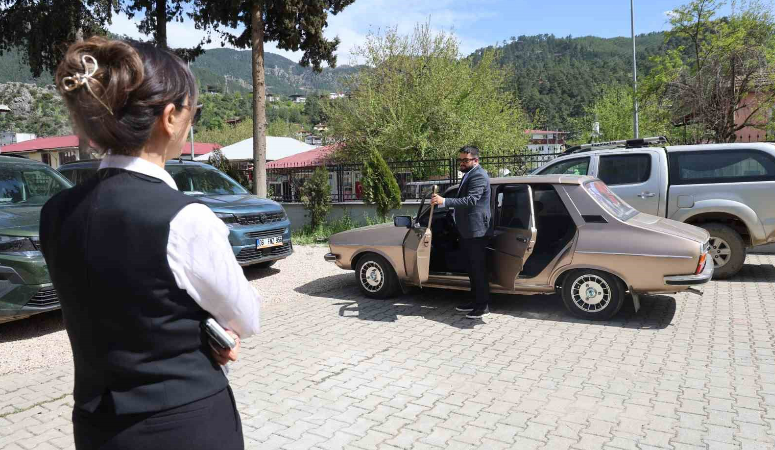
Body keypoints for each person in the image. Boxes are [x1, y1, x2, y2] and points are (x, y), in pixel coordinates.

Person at [39, 37, 259, 450]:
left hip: (95, 426)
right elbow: (246, 320)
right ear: (171, 117)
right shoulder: (185, 218)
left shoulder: (55, 213)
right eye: (195, 110)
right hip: (184, 424)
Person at [431, 146, 492, 319]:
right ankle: (474, 301)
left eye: (466, 160)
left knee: (478, 269)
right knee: (471, 269)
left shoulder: (479, 175)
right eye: (461, 160)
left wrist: (444, 201)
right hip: (467, 230)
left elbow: (472, 200)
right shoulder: (469, 174)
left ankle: (482, 306)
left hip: (477, 231)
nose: (462, 163)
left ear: (476, 160)